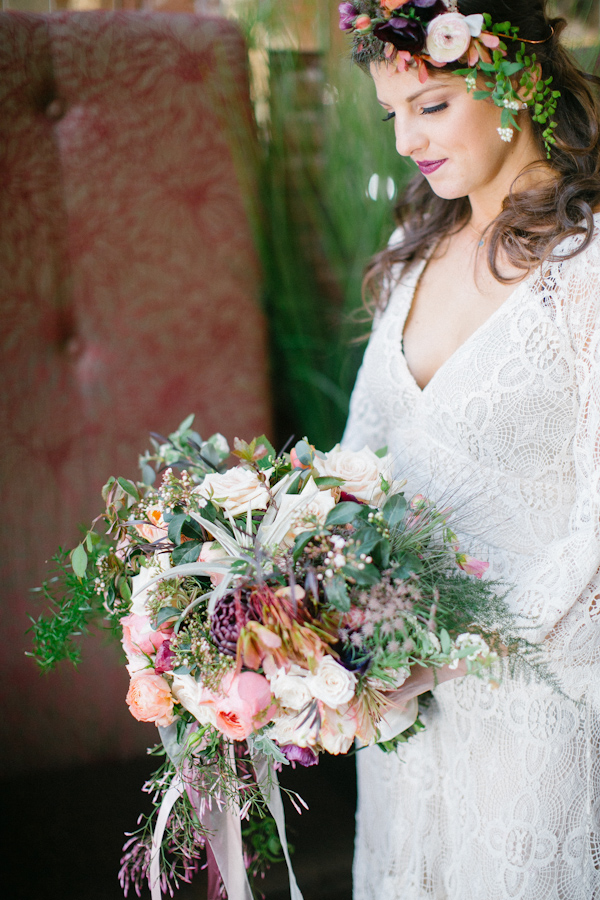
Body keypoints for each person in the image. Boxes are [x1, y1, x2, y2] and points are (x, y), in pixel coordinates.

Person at [338, 1, 600, 897]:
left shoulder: (587, 268)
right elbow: (357, 468)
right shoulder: (413, 256)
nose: (406, 138)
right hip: (405, 725)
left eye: (432, 104)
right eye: (393, 115)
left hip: (535, 727)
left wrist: (448, 653)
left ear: (512, 83)